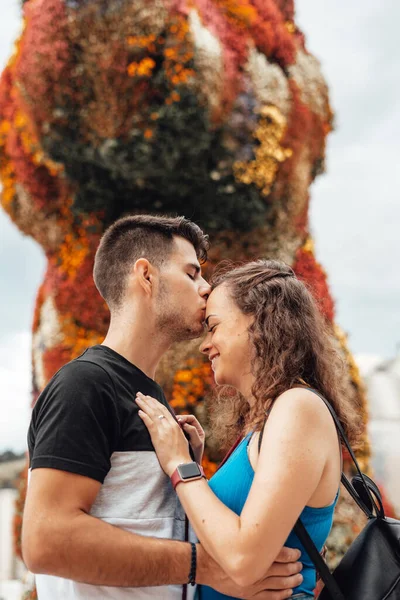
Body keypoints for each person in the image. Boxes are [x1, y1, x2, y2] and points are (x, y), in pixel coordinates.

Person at [22, 216, 303, 600]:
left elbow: (140, 524)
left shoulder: (150, 396)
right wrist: (203, 567)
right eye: (192, 274)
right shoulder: (85, 385)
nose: (207, 289)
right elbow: (46, 541)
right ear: (146, 275)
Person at [135, 259, 361, 600]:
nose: (204, 345)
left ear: (259, 321)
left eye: (214, 326)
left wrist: (180, 465)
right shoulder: (273, 417)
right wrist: (193, 464)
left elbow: (243, 559)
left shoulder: (298, 407)